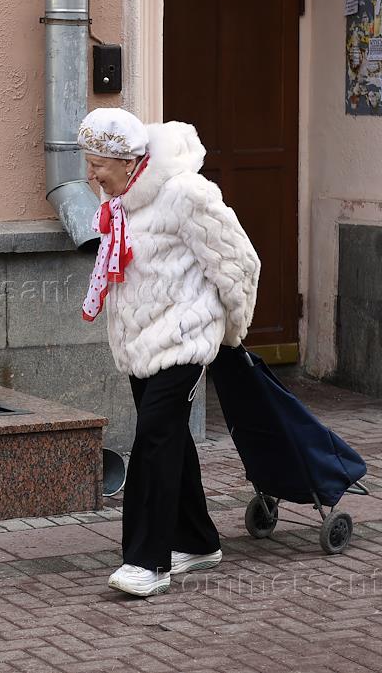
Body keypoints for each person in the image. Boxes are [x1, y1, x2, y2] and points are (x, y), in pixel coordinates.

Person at [78, 107, 260, 598]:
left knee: (153, 441)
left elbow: (239, 261)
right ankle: (198, 540)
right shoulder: (119, 198)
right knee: (169, 435)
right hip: (141, 341)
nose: (91, 175)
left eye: (98, 164)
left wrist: (230, 330)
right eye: (88, 163)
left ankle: (147, 561)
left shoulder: (186, 193)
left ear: (128, 160)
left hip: (184, 338)